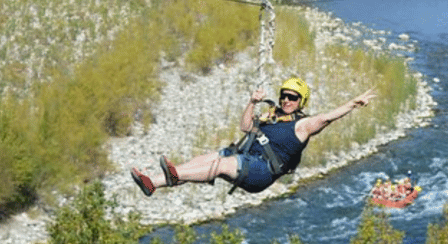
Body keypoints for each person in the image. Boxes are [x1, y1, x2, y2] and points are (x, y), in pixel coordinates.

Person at [131, 77, 376, 197]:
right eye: (284, 96)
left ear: (301, 102)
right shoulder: (272, 115)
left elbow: (327, 118)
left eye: (293, 98)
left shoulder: (303, 125)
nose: (287, 101)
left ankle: (176, 174)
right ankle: (152, 182)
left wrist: (353, 104)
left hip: (263, 172)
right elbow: (245, 127)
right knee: (206, 158)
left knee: (221, 164)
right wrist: (252, 102)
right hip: (247, 157)